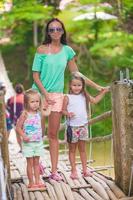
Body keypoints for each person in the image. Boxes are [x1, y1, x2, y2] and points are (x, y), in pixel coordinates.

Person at [32, 18, 107, 181]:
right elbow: (35, 75)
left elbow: (77, 75)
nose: (55, 32)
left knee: (52, 134)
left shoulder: (67, 51)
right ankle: (36, 164)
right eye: (51, 30)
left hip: (58, 96)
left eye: (58, 29)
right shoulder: (42, 49)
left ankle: (53, 171)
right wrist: (44, 94)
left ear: (63, 31)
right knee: (38, 132)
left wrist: (97, 87)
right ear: (48, 32)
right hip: (39, 95)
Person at [62, 75, 109, 179]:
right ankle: (73, 171)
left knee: (82, 149)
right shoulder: (67, 97)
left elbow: (95, 101)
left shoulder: (84, 95)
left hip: (83, 126)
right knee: (72, 150)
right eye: (74, 85)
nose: (77, 87)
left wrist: (103, 92)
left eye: (79, 85)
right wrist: (68, 113)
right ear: (70, 85)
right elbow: (63, 110)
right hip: (72, 127)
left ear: (82, 86)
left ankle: (85, 170)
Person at [16, 89, 45, 190]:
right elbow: (18, 127)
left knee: (37, 163)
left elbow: (42, 124)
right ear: (26, 103)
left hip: (38, 142)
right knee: (30, 163)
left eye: (37, 101)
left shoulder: (39, 113)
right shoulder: (24, 114)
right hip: (28, 143)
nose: (35, 104)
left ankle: (37, 181)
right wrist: (23, 136)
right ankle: (31, 183)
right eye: (32, 102)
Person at [7, 83, 24, 148]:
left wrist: (10, 111)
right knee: (25, 132)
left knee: (17, 133)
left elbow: (6, 106)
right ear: (22, 90)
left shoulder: (11, 99)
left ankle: (21, 148)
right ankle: (26, 147)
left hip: (14, 119)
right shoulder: (25, 98)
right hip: (24, 118)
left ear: (15, 90)